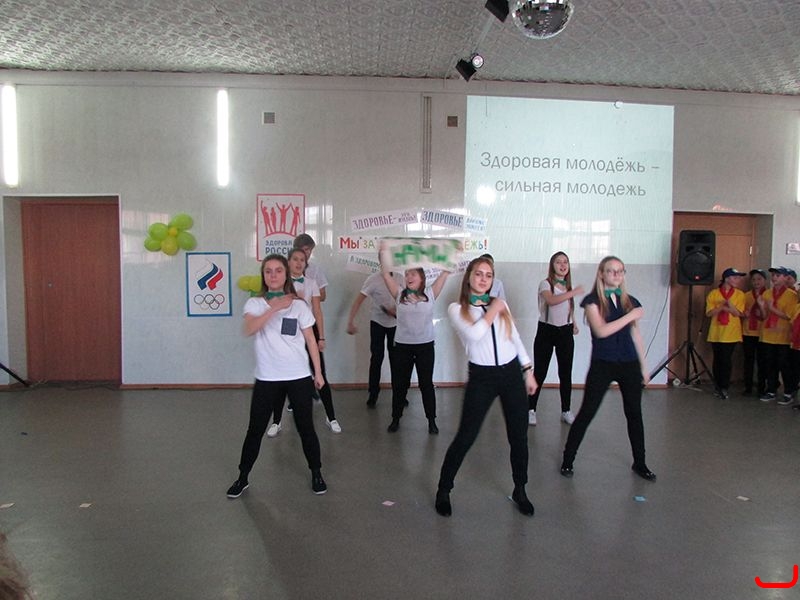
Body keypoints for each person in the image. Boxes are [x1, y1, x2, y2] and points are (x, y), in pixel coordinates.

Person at [435, 256, 538, 517]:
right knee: (466, 436)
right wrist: (495, 308)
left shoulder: (500, 305)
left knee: (519, 436)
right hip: (482, 377)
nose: (483, 279)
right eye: (479, 274)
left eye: (489, 275)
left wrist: (528, 371)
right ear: (469, 277)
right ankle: (444, 489)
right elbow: (475, 335)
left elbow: (514, 337)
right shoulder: (457, 309)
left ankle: (520, 489)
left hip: (511, 374)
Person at [226, 253, 328, 498]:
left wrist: (318, 372)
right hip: (267, 378)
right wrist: (274, 307)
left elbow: (310, 339)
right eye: (268, 271)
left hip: (298, 376)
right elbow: (249, 329)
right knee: (255, 429)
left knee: (306, 428)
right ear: (263, 275)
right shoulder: (255, 304)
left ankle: (316, 472)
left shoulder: (299, 305)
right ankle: (242, 477)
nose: (273, 275)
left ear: (286, 275)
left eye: (278, 270)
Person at [560, 256, 656, 482]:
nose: (616, 274)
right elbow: (601, 331)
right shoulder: (592, 301)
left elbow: (636, 335)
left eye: (620, 271)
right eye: (611, 270)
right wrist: (631, 315)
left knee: (634, 413)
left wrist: (644, 367)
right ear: (601, 274)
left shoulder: (629, 301)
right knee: (587, 412)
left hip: (629, 363)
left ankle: (640, 462)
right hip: (603, 363)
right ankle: (568, 459)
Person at [268, 248, 341, 436]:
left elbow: (317, 311)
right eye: (295, 259)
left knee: (319, 372)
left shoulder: (311, 283)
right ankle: (276, 421)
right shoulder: (280, 282)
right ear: (288, 262)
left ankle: (331, 417)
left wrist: (321, 337)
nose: (299, 263)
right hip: (286, 330)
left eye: (302, 260)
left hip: (308, 328)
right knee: (281, 376)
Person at [381, 248, 452, 434]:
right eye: (406, 274)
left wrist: (453, 253)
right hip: (402, 347)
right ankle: (395, 419)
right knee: (400, 384)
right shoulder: (399, 294)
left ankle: (432, 421)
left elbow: (446, 272)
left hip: (425, 347)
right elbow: (385, 274)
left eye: (413, 273)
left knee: (426, 384)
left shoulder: (430, 293)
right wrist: (383, 254)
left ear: (421, 278)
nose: (409, 276)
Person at [527, 251, 584, 426]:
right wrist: (574, 292)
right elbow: (552, 300)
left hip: (565, 332)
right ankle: (530, 409)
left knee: (565, 373)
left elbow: (569, 307)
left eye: (565, 262)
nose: (563, 265)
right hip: (546, 331)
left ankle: (566, 410)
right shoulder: (545, 284)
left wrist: (573, 322)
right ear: (552, 265)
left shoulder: (568, 286)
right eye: (559, 262)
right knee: (540, 372)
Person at [346, 266, 403, 407]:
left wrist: (396, 311)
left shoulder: (400, 278)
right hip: (377, 322)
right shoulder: (373, 279)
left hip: (395, 323)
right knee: (377, 358)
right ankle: (373, 393)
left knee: (396, 360)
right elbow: (358, 300)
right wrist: (350, 321)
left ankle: (399, 394)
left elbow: (408, 300)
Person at [757, 266, 798, 403]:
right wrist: (762, 306)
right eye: (773, 275)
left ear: (785, 278)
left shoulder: (792, 295)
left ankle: (788, 392)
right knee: (770, 364)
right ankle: (771, 390)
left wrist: (772, 308)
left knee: (784, 365)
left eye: (778, 275)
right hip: (768, 334)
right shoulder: (767, 293)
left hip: (783, 336)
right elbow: (764, 316)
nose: (774, 278)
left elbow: (789, 316)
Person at [705, 267, 746, 399]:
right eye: (735, 278)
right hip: (716, 332)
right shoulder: (714, 294)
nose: (738, 280)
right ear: (726, 279)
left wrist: (729, 305)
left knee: (726, 360)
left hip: (731, 332)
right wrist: (721, 307)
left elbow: (738, 313)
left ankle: (724, 386)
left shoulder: (740, 294)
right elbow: (709, 313)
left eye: (739, 278)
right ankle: (717, 386)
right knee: (717, 359)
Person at [742, 269, 768, 396]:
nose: (756, 282)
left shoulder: (768, 295)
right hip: (748, 332)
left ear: (764, 280)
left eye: (759, 279)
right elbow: (741, 311)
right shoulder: (746, 295)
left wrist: (762, 309)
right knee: (748, 361)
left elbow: (768, 315)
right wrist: (744, 314)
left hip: (763, 333)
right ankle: (748, 387)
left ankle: (761, 387)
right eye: (753, 280)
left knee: (762, 362)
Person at [293, 233, 328, 302]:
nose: (309, 252)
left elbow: (323, 296)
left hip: (310, 307)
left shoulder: (316, 269)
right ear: (297, 250)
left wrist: (306, 297)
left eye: (310, 249)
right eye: (306, 249)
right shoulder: (284, 268)